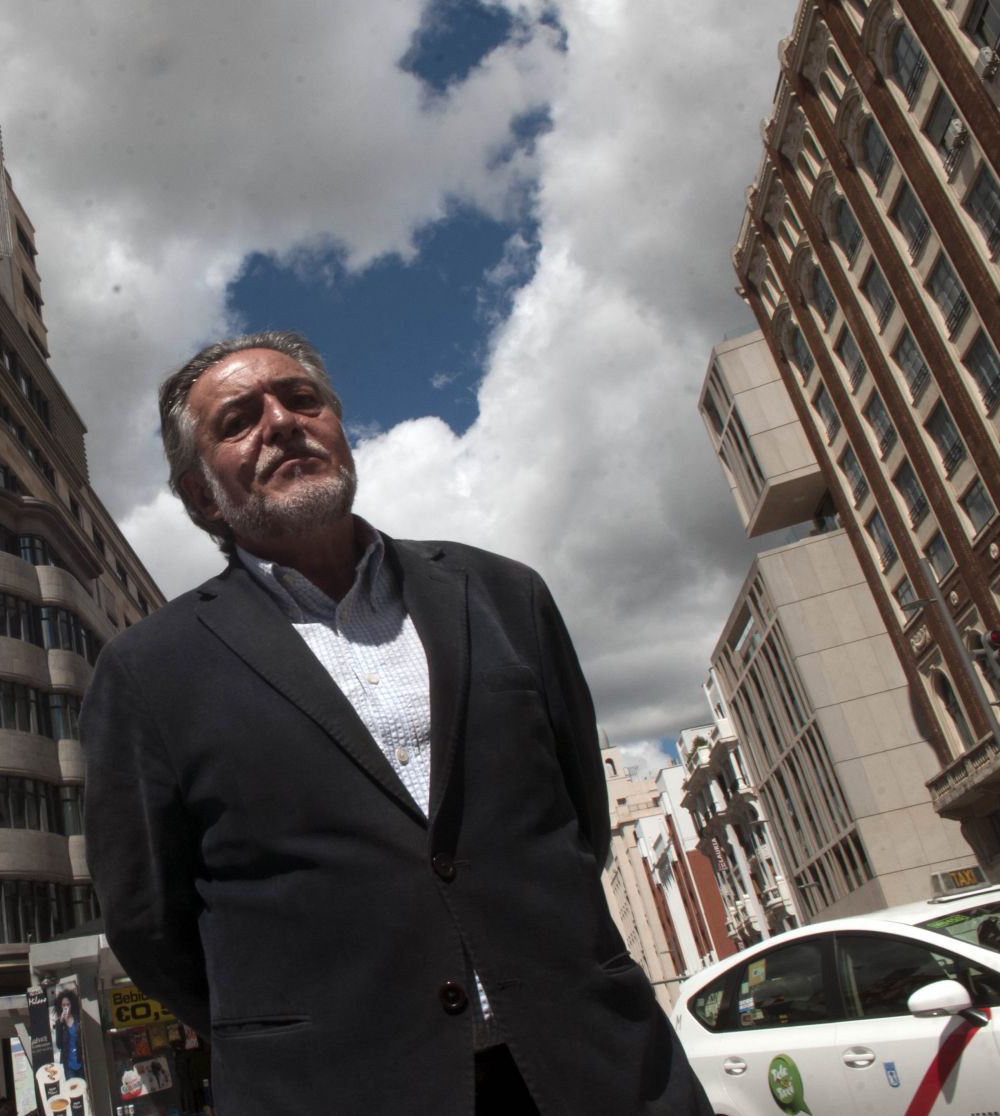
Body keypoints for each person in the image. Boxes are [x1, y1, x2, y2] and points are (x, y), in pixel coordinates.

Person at [82, 331, 712, 1115]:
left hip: (597, 1073)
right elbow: (148, 925)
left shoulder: (502, 593)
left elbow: (580, 816)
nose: (281, 422)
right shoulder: (149, 670)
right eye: (239, 419)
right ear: (203, 494)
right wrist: (297, 1038)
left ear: (340, 429)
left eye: (302, 399)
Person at [53, 988, 84, 1079]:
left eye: (68, 1004)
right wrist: (60, 1024)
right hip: (68, 1064)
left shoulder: (78, 1020)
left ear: (72, 1005)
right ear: (60, 1006)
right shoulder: (60, 1023)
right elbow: (59, 1045)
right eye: (63, 1005)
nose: (66, 1007)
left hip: (80, 1061)